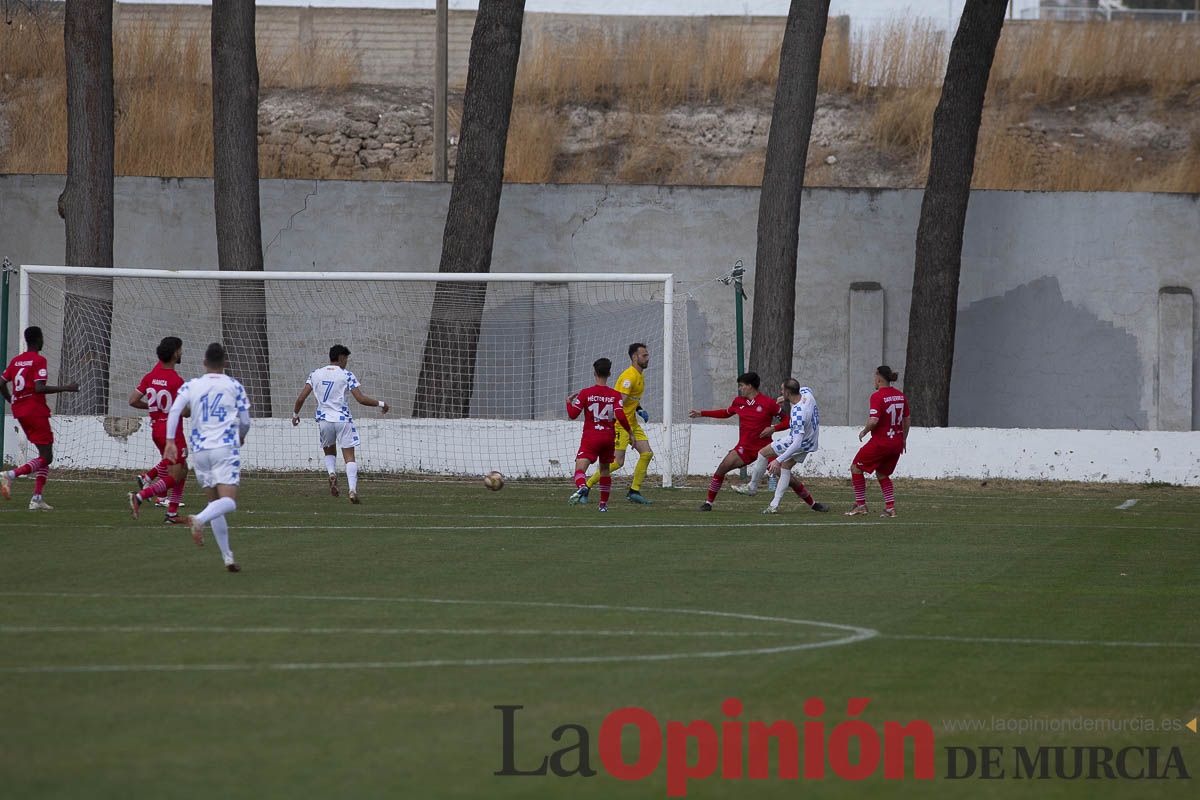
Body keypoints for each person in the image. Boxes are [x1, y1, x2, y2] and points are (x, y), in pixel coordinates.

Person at [164, 343, 250, 572]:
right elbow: (246, 420)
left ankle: (228, 557)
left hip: (200, 450)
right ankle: (198, 519)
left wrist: (170, 441)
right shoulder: (234, 385)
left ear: (204, 363)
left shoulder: (192, 385)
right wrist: (241, 437)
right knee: (228, 501)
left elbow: (174, 411)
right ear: (225, 363)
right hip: (224, 447)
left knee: (216, 504)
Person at [291, 344, 389, 504]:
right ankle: (352, 490)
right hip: (342, 420)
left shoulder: (315, 374)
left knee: (329, 452)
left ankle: (331, 473)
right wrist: (381, 404)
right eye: (346, 359)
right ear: (341, 357)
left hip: (324, 420)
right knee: (349, 457)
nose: (346, 362)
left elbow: (301, 398)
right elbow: (361, 399)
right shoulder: (346, 375)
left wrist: (295, 414)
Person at [0, 326, 79, 510]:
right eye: (42, 337)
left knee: (45, 454)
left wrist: (11, 399)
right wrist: (67, 388)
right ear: (38, 339)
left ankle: (36, 498)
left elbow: (1, 383)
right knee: (47, 456)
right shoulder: (38, 360)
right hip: (35, 410)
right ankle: (10, 475)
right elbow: (39, 388)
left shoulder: (16, 361)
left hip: (20, 411)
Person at [689, 371, 787, 511]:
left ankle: (812, 503)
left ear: (750, 386)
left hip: (765, 448)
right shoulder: (738, 401)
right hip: (744, 448)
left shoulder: (768, 403)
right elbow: (726, 413)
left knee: (786, 474)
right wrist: (702, 413)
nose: (739, 389)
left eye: (741, 385)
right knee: (722, 468)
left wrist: (773, 428)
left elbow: (787, 421)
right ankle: (708, 503)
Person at [580, 342, 654, 505]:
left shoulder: (639, 375)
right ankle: (586, 486)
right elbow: (618, 402)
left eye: (647, 355)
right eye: (644, 355)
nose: (647, 358)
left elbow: (630, 400)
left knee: (647, 453)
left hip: (632, 423)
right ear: (635, 357)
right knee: (617, 462)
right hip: (621, 425)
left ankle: (634, 491)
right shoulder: (629, 377)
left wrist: (639, 409)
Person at [742, 379, 827, 514]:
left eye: (782, 390)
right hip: (811, 441)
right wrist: (785, 398)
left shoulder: (798, 412)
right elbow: (806, 388)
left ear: (788, 392)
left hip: (800, 441)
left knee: (763, 453)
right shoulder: (806, 394)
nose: (780, 392)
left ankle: (752, 487)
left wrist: (778, 460)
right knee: (786, 468)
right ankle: (774, 505)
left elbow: (796, 443)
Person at [128, 336, 189, 522]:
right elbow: (185, 412)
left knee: (183, 469)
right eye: (180, 349)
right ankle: (140, 496)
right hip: (172, 432)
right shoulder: (177, 381)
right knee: (175, 475)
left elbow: (133, 400)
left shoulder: (150, 377)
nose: (181, 352)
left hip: (156, 430)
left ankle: (171, 513)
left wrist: (154, 407)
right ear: (175, 354)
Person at [566, 357, 632, 513]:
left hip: (591, 437)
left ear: (594, 372)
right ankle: (603, 505)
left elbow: (573, 414)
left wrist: (568, 402)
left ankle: (582, 487)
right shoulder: (615, 395)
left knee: (580, 469)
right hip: (608, 437)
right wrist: (629, 432)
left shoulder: (585, 393)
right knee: (604, 470)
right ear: (609, 373)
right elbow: (620, 416)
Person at [846, 365, 910, 518]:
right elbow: (906, 420)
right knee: (882, 473)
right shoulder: (901, 396)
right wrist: (904, 439)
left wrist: (864, 431)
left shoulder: (877, 396)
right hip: (896, 443)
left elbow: (874, 420)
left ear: (879, 377)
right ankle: (890, 508)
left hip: (881, 442)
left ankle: (860, 505)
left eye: (875, 376)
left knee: (856, 467)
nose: (874, 380)